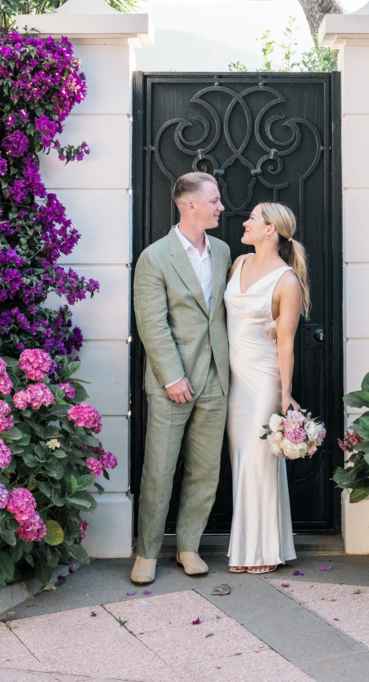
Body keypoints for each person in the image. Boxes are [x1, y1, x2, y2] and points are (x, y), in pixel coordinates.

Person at [130, 172, 231, 586]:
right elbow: (152, 324)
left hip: (216, 378)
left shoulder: (224, 251)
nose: (221, 207)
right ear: (191, 205)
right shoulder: (155, 257)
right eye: (214, 200)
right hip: (172, 381)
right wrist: (172, 376)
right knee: (159, 468)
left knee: (205, 470)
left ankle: (188, 546)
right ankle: (147, 552)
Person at [225, 200, 310, 574]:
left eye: (252, 219)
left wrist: (285, 393)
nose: (245, 223)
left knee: (259, 463)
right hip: (232, 378)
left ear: (270, 229)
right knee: (241, 460)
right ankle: (250, 547)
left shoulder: (286, 280)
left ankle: (262, 552)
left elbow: (286, 342)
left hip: (262, 380)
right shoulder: (239, 263)